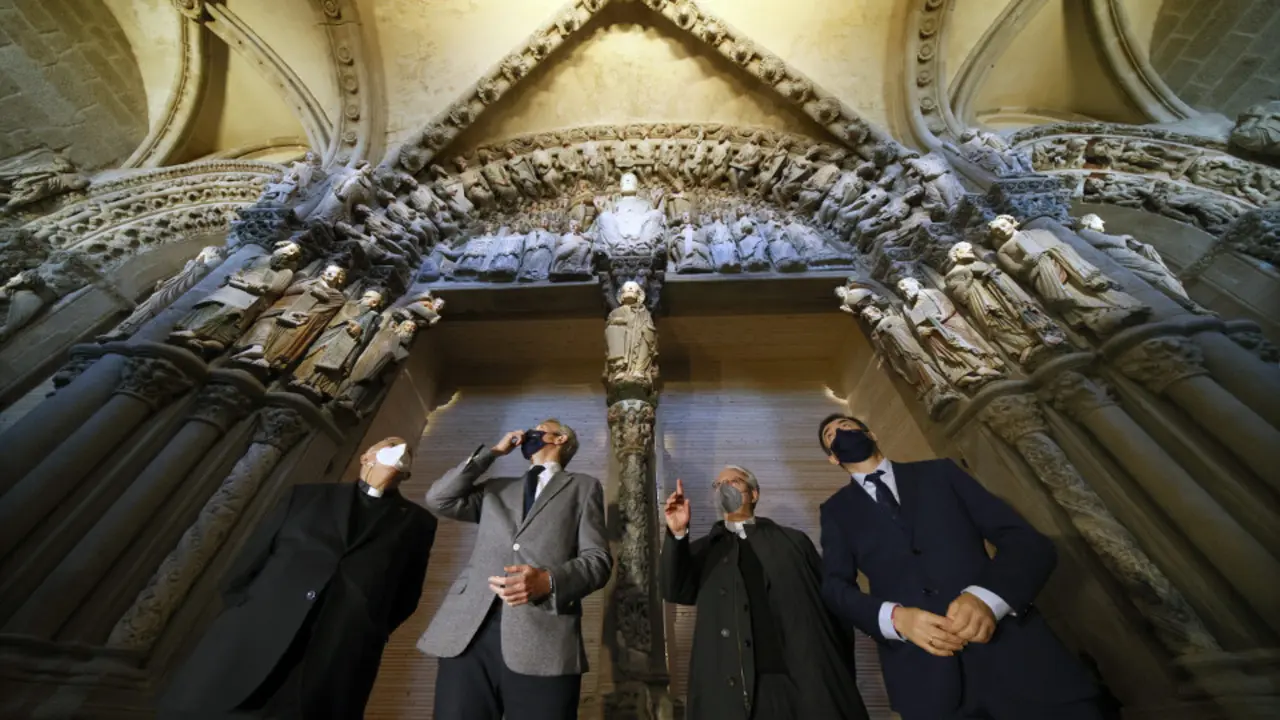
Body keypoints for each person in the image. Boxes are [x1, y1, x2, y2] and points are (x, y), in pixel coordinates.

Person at [817, 414, 1100, 720]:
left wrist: (989, 598)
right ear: (833, 459)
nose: (841, 433)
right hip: (926, 681)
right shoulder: (835, 512)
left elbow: (1027, 543)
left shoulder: (940, 472)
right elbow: (835, 588)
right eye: (831, 435)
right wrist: (895, 619)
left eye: (847, 426)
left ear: (871, 433)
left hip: (1020, 659)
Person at [158, 437, 437, 719]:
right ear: (365, 457)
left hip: (335, 653)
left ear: (406, 474)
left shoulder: (417, 523)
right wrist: (247, 609)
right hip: (254, 635)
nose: (401, 451)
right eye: (390, 444)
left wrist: (364, 625)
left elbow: (406, 595)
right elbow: (250, 561)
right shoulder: (305, 497)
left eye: (407, 452)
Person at [420, 420, 612, 720]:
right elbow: (439, 499)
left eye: (539, 429)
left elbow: (598, 560)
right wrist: (492, 454)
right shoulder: (497, 488)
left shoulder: (584, 487)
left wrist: (548, 581)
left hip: (543, 637)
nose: (529, 434)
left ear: (559, 438)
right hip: (469, 634)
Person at [660, 467, 870, 720]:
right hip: (733, 690)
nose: (725, 487)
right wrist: (678, 533)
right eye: (718, 485)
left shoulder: (793, 542)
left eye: (734, 481)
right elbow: (674, 589)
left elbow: (832, 602)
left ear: (754, 494)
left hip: (801, 683)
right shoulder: (705, 550)